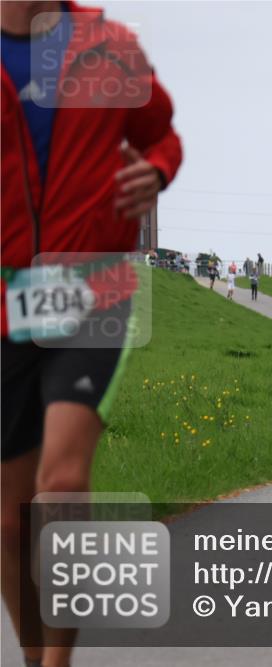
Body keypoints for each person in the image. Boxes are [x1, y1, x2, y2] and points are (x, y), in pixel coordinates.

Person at [1, 4, 183, 667]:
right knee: (9, 522)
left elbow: (163, 134)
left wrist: (156, 171)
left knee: (64, 483)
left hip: (92, 290)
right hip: (4, 301)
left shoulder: (109, 46)